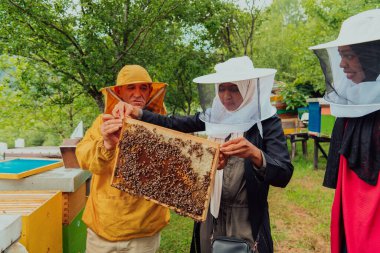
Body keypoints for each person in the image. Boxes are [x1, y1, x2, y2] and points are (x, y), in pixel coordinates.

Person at [113, 56, 294, 253]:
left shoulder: (267, 122)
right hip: (209, 215)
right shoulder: (214, 116)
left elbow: (283, 173)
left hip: (245, 218)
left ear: (248, 88)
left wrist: (255, 154)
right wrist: (138, 113)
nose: (226, 95)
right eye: (221, 88)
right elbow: (175, 124)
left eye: (234, 88)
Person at [75, 65, 170, 253]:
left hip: (144, 230)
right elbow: (83, 157)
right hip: (103, 228)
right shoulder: (103, 122)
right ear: (119, 91)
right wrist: (107, 145)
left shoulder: (163, 125)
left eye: (143, 88)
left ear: (150, 92)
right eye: (131, 88)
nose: (137, 94)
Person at [310, 9, 380, 253]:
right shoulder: (349, 106)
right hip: (350, 207)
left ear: (372, 58)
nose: (341, 64)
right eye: (340, 55)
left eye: (348, 56)